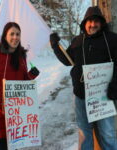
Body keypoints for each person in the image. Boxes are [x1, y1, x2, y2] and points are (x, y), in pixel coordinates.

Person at [50, 6, 117, 150]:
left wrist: (115, 86)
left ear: (102, 23)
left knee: (108, 134)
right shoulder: (77, 41)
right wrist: (55, 46)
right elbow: (68, 60)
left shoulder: (112, 39)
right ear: (84, 23)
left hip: (104, 97)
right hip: (81, 96)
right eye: (90, 21)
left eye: (96, 21)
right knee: (85, 133)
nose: (93, 25)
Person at [0, 22, 40, 150]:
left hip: (17, 115)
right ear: (5, 36)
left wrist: (30, 75)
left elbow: (22, 84)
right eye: (12, 34)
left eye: (18, 34)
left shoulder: (21, 56)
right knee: (2, 146)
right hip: (0, 113)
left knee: (16, 146)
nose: (15, 37)